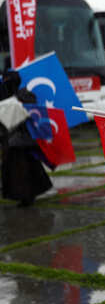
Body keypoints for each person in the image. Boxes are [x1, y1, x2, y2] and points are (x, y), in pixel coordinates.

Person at [0, 70, 53, 206]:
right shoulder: (8, 97)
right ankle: (25, 196)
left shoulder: (24, 96)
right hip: (16, 141)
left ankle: (27, 197)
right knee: (21, 170)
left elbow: (32, 113)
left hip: (22, 140)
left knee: (24, 170)